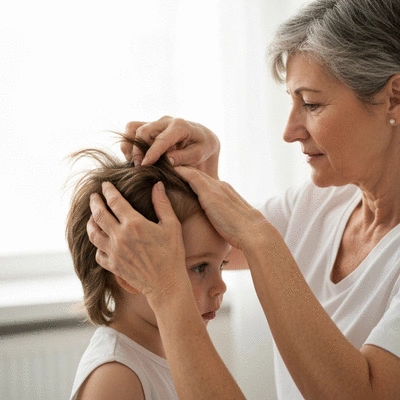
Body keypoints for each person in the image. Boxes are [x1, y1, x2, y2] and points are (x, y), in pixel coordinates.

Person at [86, 0, 400, 399]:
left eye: (312, 103)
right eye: (291, 101)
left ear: (394, 97)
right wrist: (204, 172)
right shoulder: (321, 203)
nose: (290, 130)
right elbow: (213, 246)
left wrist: (260, 237)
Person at [66, 138, 231, 400]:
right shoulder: (116, 376)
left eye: (221, 264)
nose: (221, 286)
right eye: (199, 267)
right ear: (128, 270)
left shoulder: (172, 354)